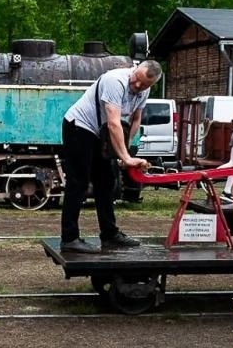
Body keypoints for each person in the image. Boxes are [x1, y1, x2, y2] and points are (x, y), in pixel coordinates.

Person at [58, 59, 161, 253]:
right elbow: (114, 123)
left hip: (100, 131)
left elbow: (135, 119)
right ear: (134, 70)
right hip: (79, 127)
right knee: (78, 181)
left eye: (144, 84)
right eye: (136, 80)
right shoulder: (115, 81)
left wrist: (126, 153)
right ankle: (69, 238)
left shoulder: (144, 90)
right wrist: (127, 158)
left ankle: (110, 234)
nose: (137, 86)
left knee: (106, 181)